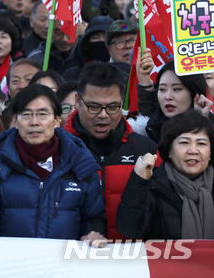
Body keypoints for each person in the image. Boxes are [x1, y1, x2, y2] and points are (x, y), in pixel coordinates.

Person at [0, 85, 107, 245]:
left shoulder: (80, 163)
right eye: (26, 115)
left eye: (43, 114)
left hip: (64, 265)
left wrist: (94, 234)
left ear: (57, 120)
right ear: (15, 121)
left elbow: (94, 218)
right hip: (9, 266)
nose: (34, 122)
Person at [62, 63, 159, 240]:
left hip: (133, 259)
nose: (103, 115)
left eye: (113, 107)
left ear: (123, 102)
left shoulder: (146, 149)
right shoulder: (57, 148)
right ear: (77, 101)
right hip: (73, 258)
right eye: (94, 106)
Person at [117, 110, 214, 240]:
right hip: (169, 260)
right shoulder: (154, 185)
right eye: (184, 142)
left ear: (210, 153)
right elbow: (129, 229)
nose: (193, 151)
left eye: (201, 143)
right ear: (169, 150)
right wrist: (138, 181)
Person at [135, 56, 213, 144]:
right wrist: (144, 80)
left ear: (194, 93)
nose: (168, 97)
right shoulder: (150, 130)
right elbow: (149, 108)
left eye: (176, 89)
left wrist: (201, 121)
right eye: (162, 89)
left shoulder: (210, 128)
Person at [62, 16, 113, 81]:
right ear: (86, 44)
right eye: (95, 37)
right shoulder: (72, 75)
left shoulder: (122, 74)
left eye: (106, 38)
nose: (101, 41)